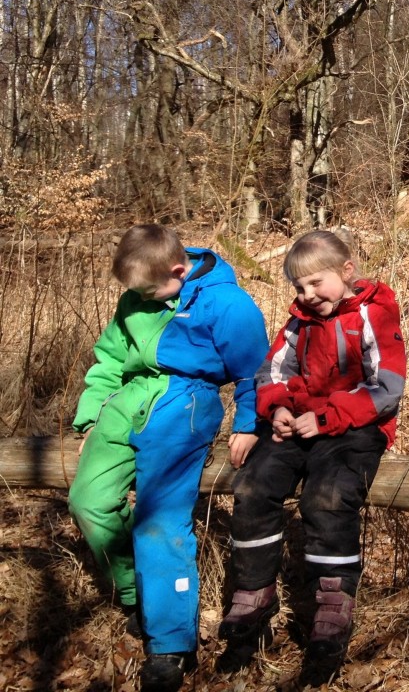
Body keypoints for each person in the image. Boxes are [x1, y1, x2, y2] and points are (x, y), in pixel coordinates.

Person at [68, 224, 269, 692]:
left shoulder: (227, 304)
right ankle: (136, 593)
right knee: (89, 502)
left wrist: (246, 424)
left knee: (159, 521)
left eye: (147, 291)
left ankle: (169, 643)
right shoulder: (140, 291)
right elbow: (110, 360)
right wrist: (92, 417)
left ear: (178, 271)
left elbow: (255, 370)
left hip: (185, 405)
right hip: (126, 404)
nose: (140, 298)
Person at [219, 228, 406, 687]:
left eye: (316, 284)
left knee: (326, 496)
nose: (307, 295)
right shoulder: (300, 319)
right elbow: (272, 370)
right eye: (299, 288)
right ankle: (253, 592)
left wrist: (327, 417)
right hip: (300, 423)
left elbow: (388, 389)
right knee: (254, 485)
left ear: (346, 272)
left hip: (355, 428)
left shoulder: (373, 314)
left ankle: (333, 605)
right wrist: (278, 408)